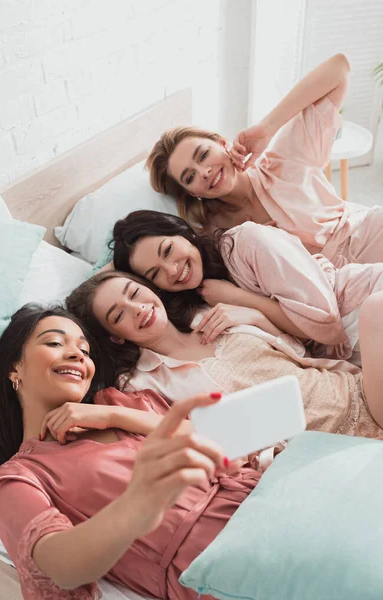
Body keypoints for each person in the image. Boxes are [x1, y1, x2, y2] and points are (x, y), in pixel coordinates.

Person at [0, 304, 260, 600]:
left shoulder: (123, 402)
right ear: (15, 368)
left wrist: (115, 416)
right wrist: (137, 506)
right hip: (219, 563)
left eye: (85, 350)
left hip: (265, 498)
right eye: (54, 342)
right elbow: (58, 566)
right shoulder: (19, 476)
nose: (79, 354)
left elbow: (232, 443)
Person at [66, 270, 383, 441]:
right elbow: (181, 435)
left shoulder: (211, 316)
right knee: (376, 307)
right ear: (114, 335)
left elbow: (297, 352)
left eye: (135, 293)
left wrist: (254, 316)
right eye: (118, 314)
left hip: (356, 393)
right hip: (313, 443)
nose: (138, 309)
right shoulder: (140, 384)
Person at [147, 53, 383, 268]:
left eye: (203, 155)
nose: (204, 172)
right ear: (190, 192)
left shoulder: (283, 159)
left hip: (366, 235)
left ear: (222, 143)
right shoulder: (217, 236)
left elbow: (339, 68)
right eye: (190, 176)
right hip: (338, 287)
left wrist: (268, 127)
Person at [110, 209, 383, 366]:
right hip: (352, 348)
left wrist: (240, 299)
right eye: (155, 272)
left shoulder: (248, 241)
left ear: (183, 231)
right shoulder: (194, 305)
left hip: (363, 301)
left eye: (168, 250)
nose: (172, 270)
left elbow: (327, 327)